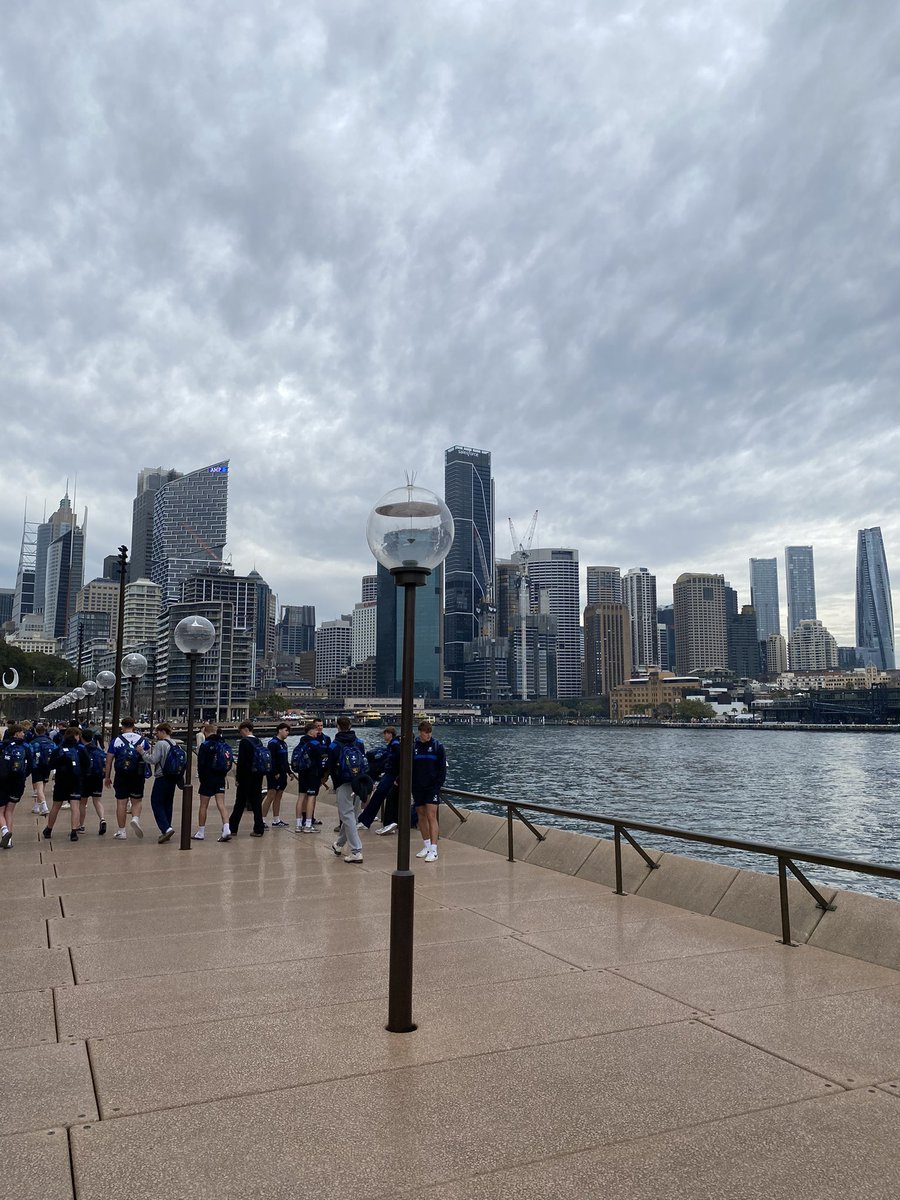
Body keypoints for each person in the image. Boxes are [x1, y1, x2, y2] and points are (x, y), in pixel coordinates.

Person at [328, 716, 367, 863]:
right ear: (350, 726)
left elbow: (330, 766)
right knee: (352, 816)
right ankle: (339, 844)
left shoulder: (334, 745)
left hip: (342, 783)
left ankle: (356, 851)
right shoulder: (359, 742)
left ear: (337, 726)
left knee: (347, 815)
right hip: (359, 782)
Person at [105, 717, 149, 839]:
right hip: (137, 774)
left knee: (121, 802)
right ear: (133, 726)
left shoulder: (116, 740)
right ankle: (135, 818)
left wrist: (107, 777)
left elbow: (108, 761)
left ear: (122, 727)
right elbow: (148, 757)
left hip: (121, 774)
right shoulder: (142, 740)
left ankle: (122, 831)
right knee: (137, 800)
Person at [43, 727, 88, 842]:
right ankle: (74, 831)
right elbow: (87, 764)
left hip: (61, 781)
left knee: (56, 806)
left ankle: (49, 829)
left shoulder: (58, 749)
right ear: (76, 736)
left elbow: (50, 765)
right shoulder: (80, 748)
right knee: (75, 806)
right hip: (76, 781)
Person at [141, 722, 182, 843]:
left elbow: (153, 760)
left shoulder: (160, 744)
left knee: (156, 802)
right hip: (172, 777)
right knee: (168, 803)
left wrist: (142, 752)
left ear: (163, 732)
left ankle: (166, 828)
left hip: (162, 776)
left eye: (157, 732)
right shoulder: (175, 744)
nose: (156, 735)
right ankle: (167, 827)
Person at [412, 720, 446, 862]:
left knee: (432, 815)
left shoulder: (438, 747)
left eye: (430, 732)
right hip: (417, 786)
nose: (428, 735)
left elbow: (442, 769)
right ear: (420, 732)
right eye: (426, 732)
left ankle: (434, 849)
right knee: (421, 815)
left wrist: (437, 786)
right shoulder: (414, 747)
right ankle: (426, 845)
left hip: (432, 787)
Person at [227, 721, 268, 838]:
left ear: (245, 729)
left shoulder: (244, 742)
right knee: (256, 803)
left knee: (240, 803)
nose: (241, 734)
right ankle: (259, 828)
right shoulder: (258, 741)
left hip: (246, 777)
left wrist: (238, 778)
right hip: (258, 775)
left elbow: (242, 762)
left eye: (241, 732)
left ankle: (232, 828)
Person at [358, 726, 401, 834]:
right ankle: (370, 821)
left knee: (379, 796)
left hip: (391, 775)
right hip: (391, 774)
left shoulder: (395, 745)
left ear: (390, 734)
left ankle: (367, 821)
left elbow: (397, 759)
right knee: (383, 797)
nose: (384, 735)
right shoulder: (393, 745)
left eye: (385, 733)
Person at [194, 723, 233, 841]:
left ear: (205, 732)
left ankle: (201, 832)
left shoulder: (205, 745)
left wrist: (201, 778)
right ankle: (226, 828)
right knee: (221, 804)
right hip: (220, 777)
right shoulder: (224, 744)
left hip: (207, 778)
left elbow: (201, 764)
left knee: (203, 805)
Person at [0, 723, 35, 849]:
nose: (24, 734)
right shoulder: (26, 746)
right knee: (9, 811)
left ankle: (4, 831)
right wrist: (24, 776)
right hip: (18, 782)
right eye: (22, 732)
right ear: (17, 733)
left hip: (2, 781)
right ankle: (9, 840)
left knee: (0, 810)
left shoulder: (3, 745)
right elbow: (31, 765)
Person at [294, 720, 328, 832]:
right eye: (315, 730)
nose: (317, 732)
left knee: (301, 797)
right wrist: (323, 774)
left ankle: (298, 824)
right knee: (311, 797)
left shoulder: (301, 743)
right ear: (311, 731)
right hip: (312, 773)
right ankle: (308, 824)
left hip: (302, 772)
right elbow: (321, 759)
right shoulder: (315, 743)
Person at [262, 723, 293, 828]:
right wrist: (275, 772)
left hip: (283, 774)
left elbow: (285, 760)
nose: (287, 733)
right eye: (286, 730)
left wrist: (289, 772)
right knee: (270, 796)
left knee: (278, 797)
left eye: (288, 731)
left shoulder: (284, 744)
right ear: (279, 730)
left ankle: (276, 820)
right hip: (274, 774)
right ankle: (262, 820)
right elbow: (271, 759)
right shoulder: (273, 743)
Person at [78, 730, 107, 835]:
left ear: (81, 738)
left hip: (84, 779)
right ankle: (102, 819)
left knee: (82, 803)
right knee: (97, 801)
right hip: (97, 779)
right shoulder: (99, 751)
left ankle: (81, 825)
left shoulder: (81, 750)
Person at [29, 723, 56, 816]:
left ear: (35, 731)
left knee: (38, 787)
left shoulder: (33, 742)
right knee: (42, 786)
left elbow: (30, 754)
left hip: (36, 766)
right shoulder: (51, 742)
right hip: (47, 766)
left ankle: (44, 807)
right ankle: (36, 806)